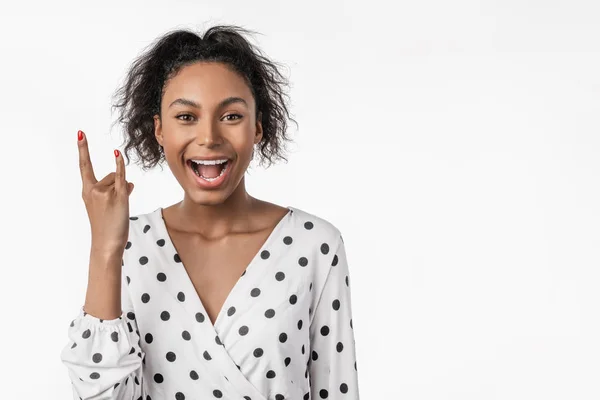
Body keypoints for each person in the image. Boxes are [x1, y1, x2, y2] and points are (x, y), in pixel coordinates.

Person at [60, 24, 360, 400]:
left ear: (258, 128)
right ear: (159, 131)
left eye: (231, 116)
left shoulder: (315, 245)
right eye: (186, 117)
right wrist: (105, 250)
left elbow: (337, 389)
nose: (209, 138)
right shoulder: (129, 246)